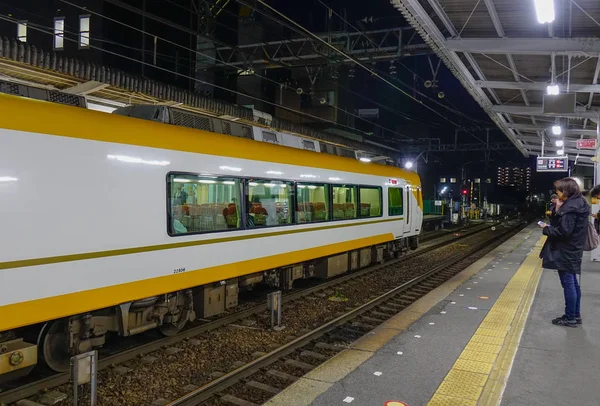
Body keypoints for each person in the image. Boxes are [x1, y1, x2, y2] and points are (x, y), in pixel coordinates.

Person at [539, 178, 589, 327]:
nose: (557, 193)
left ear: (566, 191)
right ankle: (575, 314)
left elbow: (564, 231)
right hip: (573, 248)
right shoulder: (578, 203)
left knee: (568, 283)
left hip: (566, 250)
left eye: (559, 191)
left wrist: (546, 229)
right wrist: (558, 209)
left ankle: (570, 318)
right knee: (573, 282)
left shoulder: (571, 208)